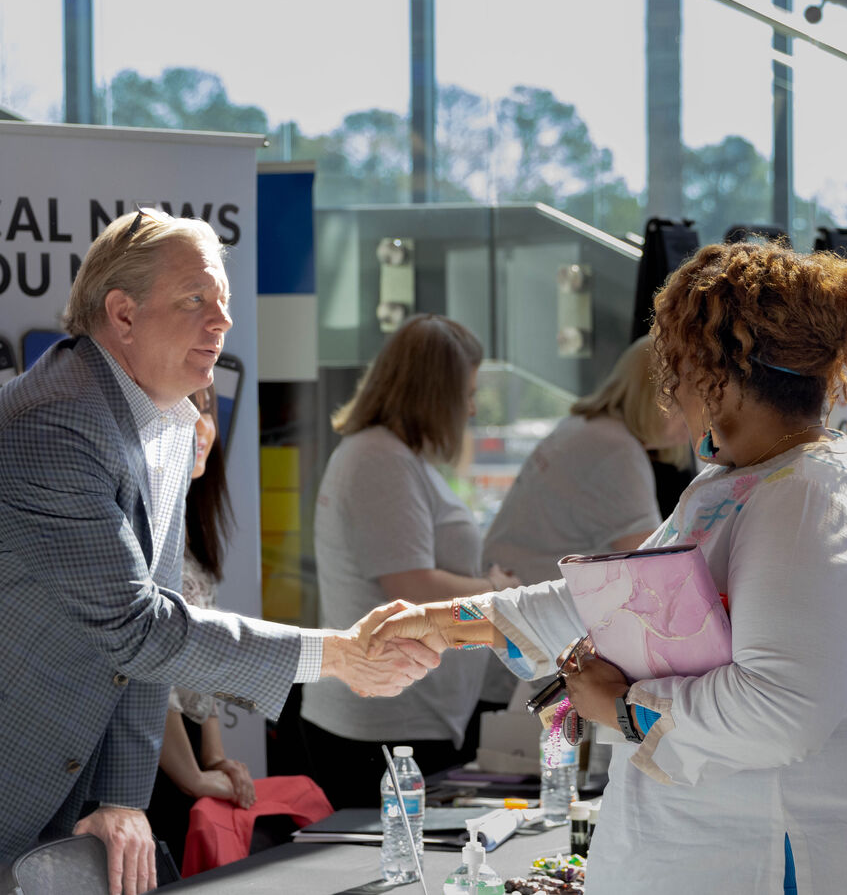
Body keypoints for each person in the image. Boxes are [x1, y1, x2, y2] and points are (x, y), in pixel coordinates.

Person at [365, 240, 847, 894]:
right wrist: (442, 623)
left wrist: (619, 708)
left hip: (772, 859)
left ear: (717, 374)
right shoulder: (739, 481)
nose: (667, 385)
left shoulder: (806, 500)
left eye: (674, 363)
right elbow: (611, 601)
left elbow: (781, 712)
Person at [0, 209, 438, 895]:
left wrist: (120, 797)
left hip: (64, 793)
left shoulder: (167, 422)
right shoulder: (56, 425)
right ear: (122, 315)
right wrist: (335, 654)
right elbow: (140, 630)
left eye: (224, 303)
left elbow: (153, 628)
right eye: (195, 301)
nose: (223, 323)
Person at [298, 314, 519, 809]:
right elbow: (411, 583)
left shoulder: (393, 456)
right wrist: (495, 591)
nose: (471, 407)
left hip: (401, 716)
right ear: (433, 392)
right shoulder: (379, 459)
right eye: (465, 391)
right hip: (384, 724)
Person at [144, 383, 255, 869]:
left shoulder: (190, 519)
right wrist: (191, 775)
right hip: (144, 757)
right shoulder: (140, 522)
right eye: (186, 406)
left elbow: (198, 658)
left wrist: (214, 759)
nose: (201, 425)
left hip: (181, 750)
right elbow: (150, 666)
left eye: (207, 408)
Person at [483, 334, 690, 586]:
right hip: (530, 602)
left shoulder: (586, 427)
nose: (703, 412)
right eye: (691, 397)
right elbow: (653, 570)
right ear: (656, 397)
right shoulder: (616, 452)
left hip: (511, 586)